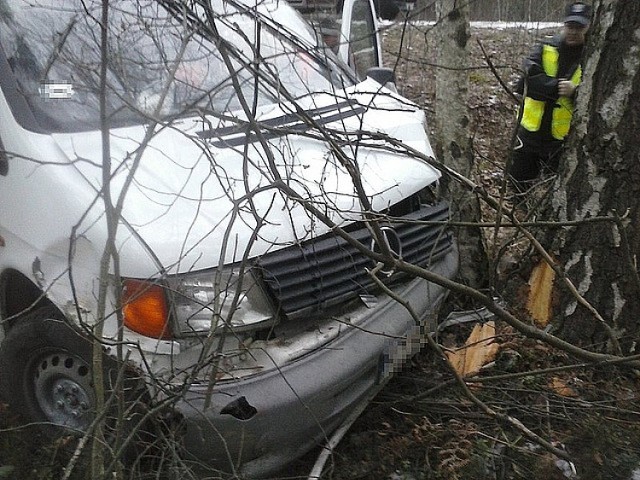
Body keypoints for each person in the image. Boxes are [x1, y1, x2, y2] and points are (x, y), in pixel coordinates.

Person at [507, 2, 592, 192]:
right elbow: (525, 84)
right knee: (516, 188)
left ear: (589, 27)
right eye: (570, 26)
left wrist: (574, 92)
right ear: (564, 25)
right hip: (529, 135)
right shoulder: (545, 48)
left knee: (558, 192)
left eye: (579, 27)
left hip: (563, 140)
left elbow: (595, 97)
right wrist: (557, 87)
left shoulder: (594, 56)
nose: (573, 31)